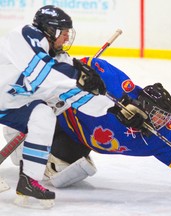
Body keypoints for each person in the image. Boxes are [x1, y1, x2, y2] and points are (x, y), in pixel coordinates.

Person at [10, 56, 171, 196]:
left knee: (70, 169)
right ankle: (22, 137)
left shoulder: (154, 136)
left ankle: (40, 155)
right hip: (52, 113)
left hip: (76, 138)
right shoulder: (121, 88)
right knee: (35, 112)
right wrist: (80, 73)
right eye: (159, 116)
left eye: (165, 117)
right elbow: (90, 63)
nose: (163, 122)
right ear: (147, 105)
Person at [0, 5, 106, 208]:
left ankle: (28, 181)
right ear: (51, 30)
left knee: (43, 115)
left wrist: (110, 107)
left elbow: (70, 92)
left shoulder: (59, 59)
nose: (67, 38)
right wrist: (78, 77)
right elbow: (41, 71)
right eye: (64, 33)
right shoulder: (24, 36)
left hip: (12, 105)